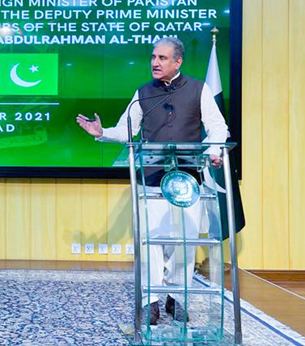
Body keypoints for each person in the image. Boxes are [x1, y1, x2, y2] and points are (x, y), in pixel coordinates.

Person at [76, 37, 228, 325]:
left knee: (183, 242)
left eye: (162, 58)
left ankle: (177, 296)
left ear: (178, 61)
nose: (154, 63)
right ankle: (151, 302)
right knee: (150, 243)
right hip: (152, 179)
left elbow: (217, 126)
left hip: (187, 179)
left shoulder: (199, 89)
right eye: (153, 57)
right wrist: (101, 132)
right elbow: (126, 131)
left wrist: (212, 150)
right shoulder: (144, 92)